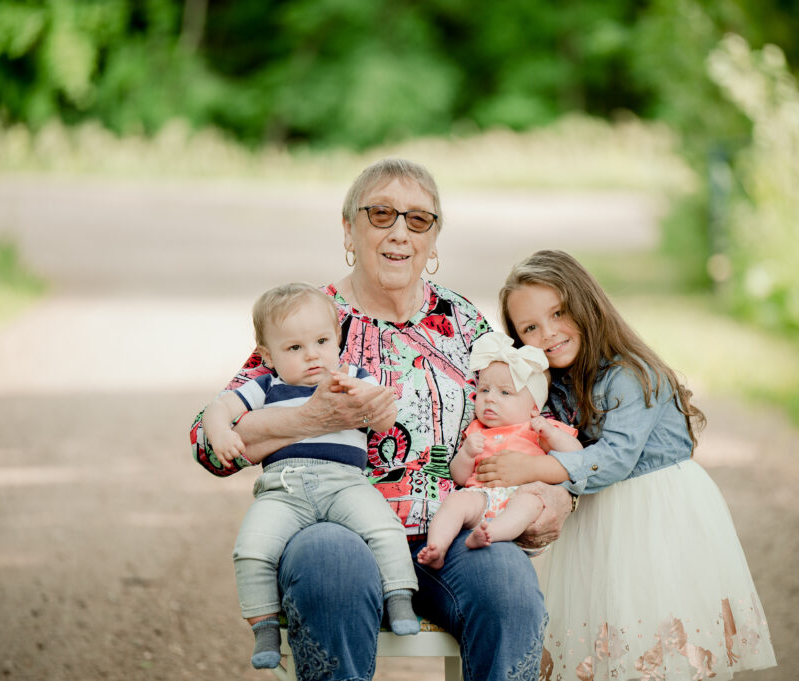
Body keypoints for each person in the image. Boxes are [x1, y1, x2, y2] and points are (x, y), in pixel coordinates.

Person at [190, 159, 562, 681]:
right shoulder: (310, 320)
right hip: (336, 524)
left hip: (447, 529)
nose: (399, 233)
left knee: (508, 584)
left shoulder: (464, 323)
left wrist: (548, 496)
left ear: (434, 239)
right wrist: (310, 419)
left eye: (418, 220)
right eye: (381, 213)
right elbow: (209, 448)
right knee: (329, 561)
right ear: (349, 228)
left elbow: (536, 421)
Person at [477, 249, 777, 681]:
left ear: (585, 303)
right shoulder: (557, 387)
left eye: (558, 313)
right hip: (603, 521)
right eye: (530, 327)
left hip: (657, 516)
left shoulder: (630, 374)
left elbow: (614, 459)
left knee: (663, 643)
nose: (548, 333)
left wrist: (532, 471)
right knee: (609, 648)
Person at [202, 282, 419, 669]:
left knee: (383, 529)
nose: (312, 356)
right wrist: (220, 432)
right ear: (268, 356)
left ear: (337, 338)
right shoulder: (267, 387)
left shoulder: (349, 376)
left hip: (344, 482)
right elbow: (219, 408)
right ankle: (265, 626)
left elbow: (387, 416)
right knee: (251, 550)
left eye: (321, 341)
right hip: (283, 489)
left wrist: (369, 402)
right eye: (295, 348)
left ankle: (399, 598)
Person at [416, 331, 581, 569]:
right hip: (482, 498)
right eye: (484, 390)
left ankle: (491, 533)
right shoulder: (476, 431)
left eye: (505, 393)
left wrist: (550, 433)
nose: (490, 399)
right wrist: (466, 454)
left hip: (522, 502)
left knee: (530, 503)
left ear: (535, 408)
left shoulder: (537, 428)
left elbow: (575, 455)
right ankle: (437, 547)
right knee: (455, 501)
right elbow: (460, 477)